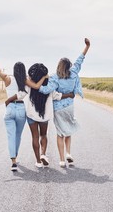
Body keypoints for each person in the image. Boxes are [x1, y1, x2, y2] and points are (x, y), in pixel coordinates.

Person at [0, 47, 47, 171]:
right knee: (18, 136)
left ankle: (13, 161)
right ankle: (15, 156)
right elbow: (37, 86)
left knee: (10, 136)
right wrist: (44, 77)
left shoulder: (7, 78)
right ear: (23, 71)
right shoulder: (25, 81)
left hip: (10, 109)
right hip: (21, 109)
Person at [6, 63, 74, 168]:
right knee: (43, 135)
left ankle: (38, 161)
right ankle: (43, 154)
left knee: (35, 136)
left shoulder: (30, 85)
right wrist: (70, 94)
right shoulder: (48, 86)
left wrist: (9, 100)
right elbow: (57, 96)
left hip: (31, 115)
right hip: (44, 116)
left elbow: (21, 94)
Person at [38, 38, 90, 167]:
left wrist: (35, 84)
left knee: (60, 133)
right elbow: (80, 59)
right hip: (69, 107)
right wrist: (87, 46)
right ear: (69, 66)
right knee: (68, 131)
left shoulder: (55, 77)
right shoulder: (73, 73)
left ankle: (61, 160)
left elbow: (46, 90)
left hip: (58, 109)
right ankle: (68, 153)